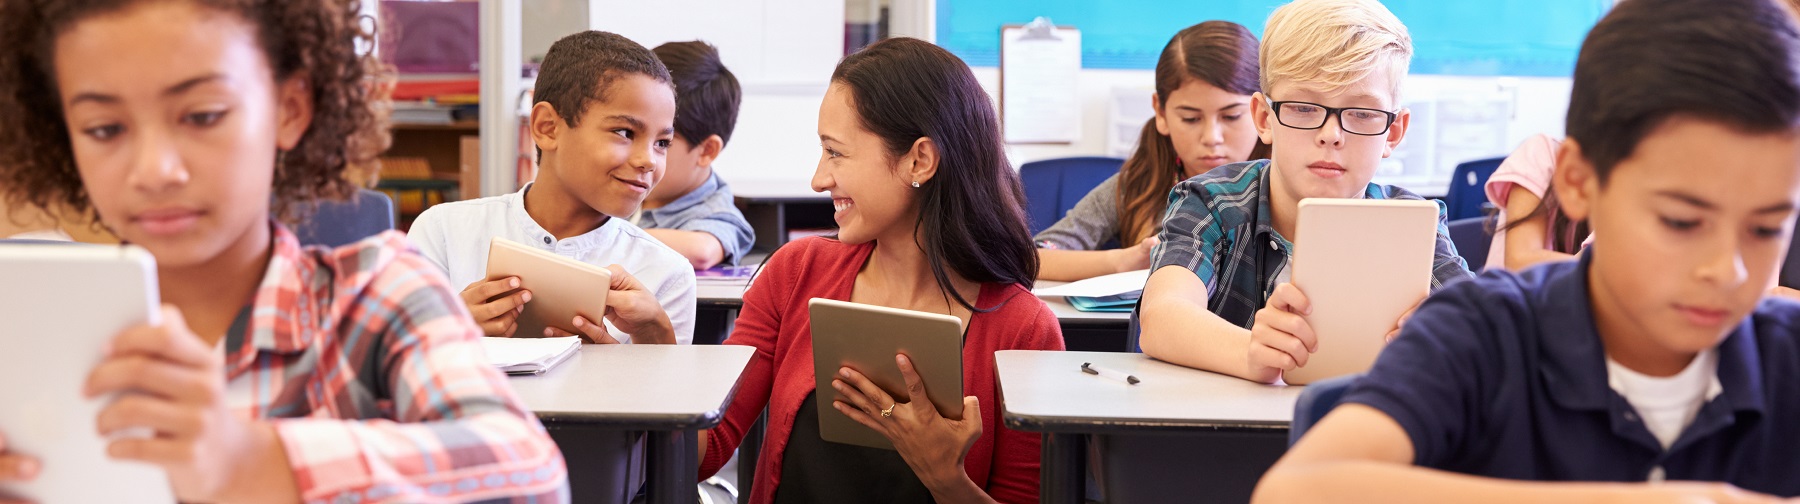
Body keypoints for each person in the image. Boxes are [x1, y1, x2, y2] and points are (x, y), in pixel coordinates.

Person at [0, 0, 567, 501]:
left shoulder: (376, 295)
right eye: (103, 128)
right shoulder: (27, 321)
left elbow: (530, 476)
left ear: (290, 110)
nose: (154, 170)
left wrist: (246, 460)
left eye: (202, 115)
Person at [1255, 0, 1800, 501]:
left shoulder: (1785, 354)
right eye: (1681, 221)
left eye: (1766, 229)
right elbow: (1295, 490)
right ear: (1578, 182)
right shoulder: (1486, 331)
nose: (1724, 271)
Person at [695, 37, 1063, 503]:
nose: (818, 179)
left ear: (919, 160)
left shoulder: (1024, 328)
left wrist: (946, 480)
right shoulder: (795, 272)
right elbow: (708, 447)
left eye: (836, 152)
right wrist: (652, 356)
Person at [1137, 0, 1471, 384]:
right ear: (1264, 117)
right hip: (1230, 438)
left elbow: (1483, 325)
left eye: (1362, 113)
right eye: (1304, 108)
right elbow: (1162, 316)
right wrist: (1249, 352)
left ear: (1393, 132)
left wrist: (1450, 333)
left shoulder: (1416, 223)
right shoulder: (1211, 201)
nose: (1331, 134)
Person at [1035, 20, 1269, 281]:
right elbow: (1035, 258)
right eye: (1191, 119)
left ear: (1260, 112)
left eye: (1231, 116)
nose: (1211, 137)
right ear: (1160, 112)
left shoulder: (1284, 184)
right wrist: (1124, 260)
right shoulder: (1139, 185)